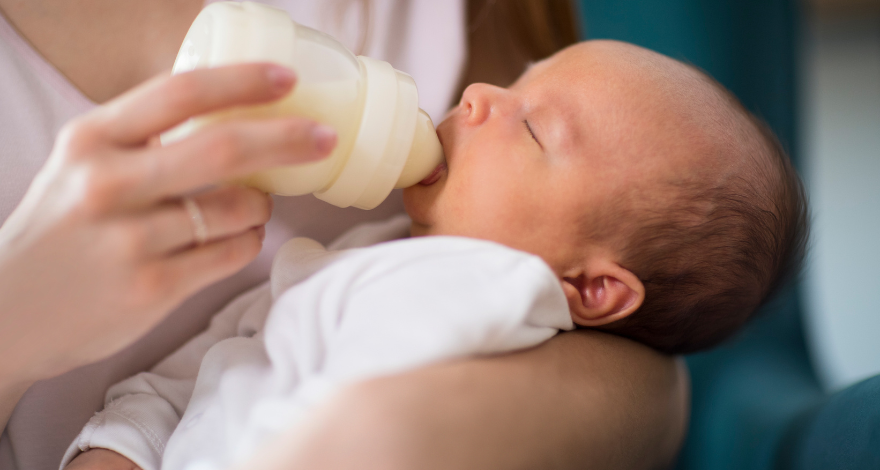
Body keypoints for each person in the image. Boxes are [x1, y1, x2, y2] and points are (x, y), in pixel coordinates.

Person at [0, 1, 688, 470]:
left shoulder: (504, 292)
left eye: (533, 125)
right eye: (519, 88)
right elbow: (200, 374)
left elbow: (643, 365)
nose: (479, 93)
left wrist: (380, 437)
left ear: (595, 288)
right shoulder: (330, 270)